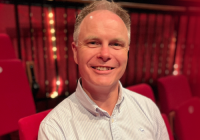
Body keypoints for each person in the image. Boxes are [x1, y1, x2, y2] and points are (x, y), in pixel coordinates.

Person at [38, 0, 169, 139]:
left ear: (127, 51)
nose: (105, 54)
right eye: (93, 43)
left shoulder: (149, 109)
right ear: (75, 52)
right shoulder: (54, 129)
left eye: (116, 44)